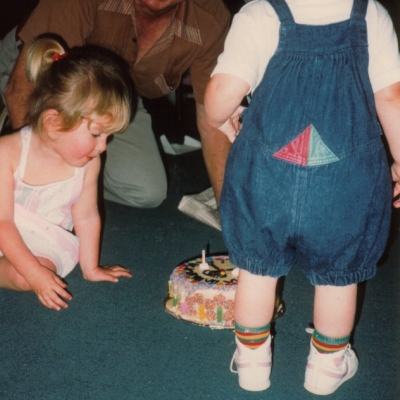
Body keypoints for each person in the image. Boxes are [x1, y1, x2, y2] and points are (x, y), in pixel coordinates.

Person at [204, 0, 400, 395]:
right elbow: (392, 98)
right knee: (338, 277)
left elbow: (222, 92)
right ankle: (327, 366)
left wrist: (217, 117)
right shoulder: (371, 15)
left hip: (266, 176)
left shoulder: (258, 14)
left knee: (257, 271)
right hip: (345, 183)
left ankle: (252, 362)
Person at [0, 0, 232, 208]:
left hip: (114, 94)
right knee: (41, 182)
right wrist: (39, 185)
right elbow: (20, 89)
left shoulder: (211, 19)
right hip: (40, 71)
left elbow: (214, 122)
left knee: (146, 190)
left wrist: (229, 209)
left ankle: (76, 180)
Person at [0, 37, 134, 311]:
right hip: (4, 227)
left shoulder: (88, 162)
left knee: (36, 271)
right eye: (97, 134)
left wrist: (91, 268)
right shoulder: (7, 153)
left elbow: (86, 215)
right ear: (54, 123)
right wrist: (35, 275)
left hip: (42, 239)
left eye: (108, 136)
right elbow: (3, 223)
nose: (102, 146)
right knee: (34, 273)